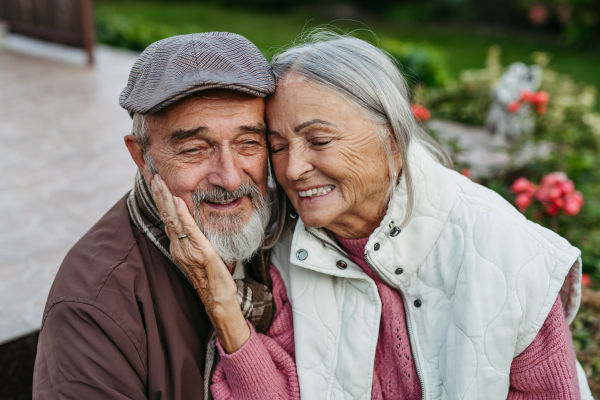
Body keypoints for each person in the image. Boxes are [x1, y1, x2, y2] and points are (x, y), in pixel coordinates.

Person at [159, 31, 594, 399]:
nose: (292, 169)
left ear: (391, 138)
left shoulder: (502, 250)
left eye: (320, 140)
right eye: (277, 146)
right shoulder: (284, 244)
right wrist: (223, 306)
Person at [32, 32, 279, 399]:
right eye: (194, 149)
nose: (229, 177)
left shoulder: (288, 222)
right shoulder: (91, 308)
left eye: (248, 143)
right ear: (142, 158)